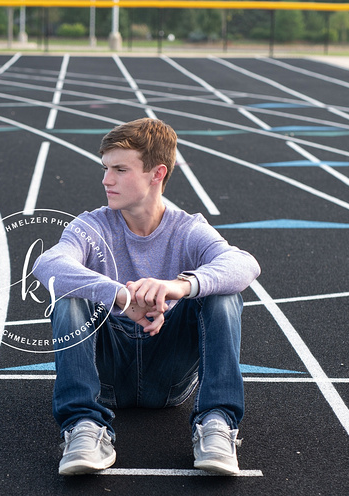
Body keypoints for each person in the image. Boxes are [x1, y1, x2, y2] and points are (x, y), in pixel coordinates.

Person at [31, 118, 260, 476]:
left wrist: (179, 285)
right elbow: (49, 263)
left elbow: (244, 264)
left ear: (157, 173)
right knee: (69, 296)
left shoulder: (188, 229)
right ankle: (84, 426)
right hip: (106, 369)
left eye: (120, 169)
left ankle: (216, 424)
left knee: (223, 296)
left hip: (168, 373)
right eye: (105, 168)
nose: (107, 180)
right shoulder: (92, 226)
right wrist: (120, 295)